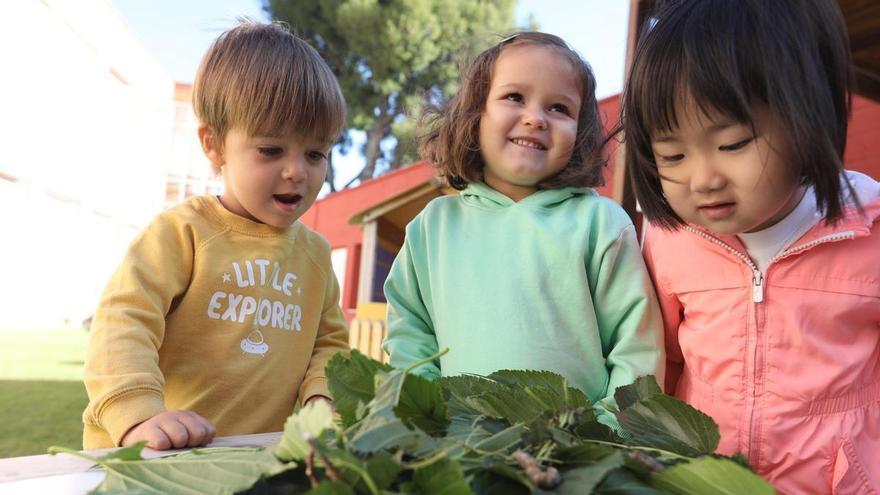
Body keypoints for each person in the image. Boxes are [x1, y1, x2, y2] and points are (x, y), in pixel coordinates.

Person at [621, 0, 880, 492]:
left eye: (734, 143)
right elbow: (666, 358)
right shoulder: (672, 238)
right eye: (672, 154)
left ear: (809, 112)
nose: (704, 178)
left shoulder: (870, 229)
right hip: (707, 478)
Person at [82, 22, 349, 450]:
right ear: (214, 144)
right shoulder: (182, 233)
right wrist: (138, 416)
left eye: (316, 153)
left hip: (253, 460)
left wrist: (324, 399)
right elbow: (122, 321)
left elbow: (330, 344)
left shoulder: (315, 255)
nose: (297, 171)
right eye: (271, 149)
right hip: (156, 458)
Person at [383, 32, 664, 424]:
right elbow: (410, 337)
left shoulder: (601, 223)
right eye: (515, 97)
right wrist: (429, 417)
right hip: (462, 443)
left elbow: (636, 347)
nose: (535, 118)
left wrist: (607, 432)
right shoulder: (433, 228)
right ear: (474, 114)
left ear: (580, 133)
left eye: (559, 108)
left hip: (578, 452)